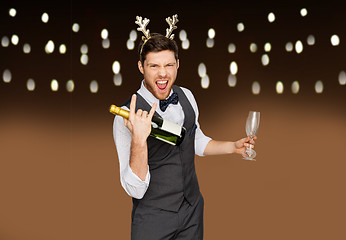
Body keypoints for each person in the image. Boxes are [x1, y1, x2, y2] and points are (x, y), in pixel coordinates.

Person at [113, 15, 256, 240]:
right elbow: (135, 189)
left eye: (169, 65)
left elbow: (195, 140)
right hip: (153, 218)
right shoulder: (125, 117)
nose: (163, 73)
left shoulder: (186, 95)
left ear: (178, 65)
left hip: (192, 211)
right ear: (141, 67)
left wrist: (233, 146)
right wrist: (140, 141)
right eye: (154, 66)